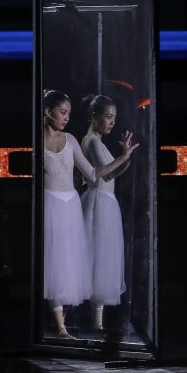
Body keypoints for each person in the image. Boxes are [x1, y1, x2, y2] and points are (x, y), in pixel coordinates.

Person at [42, 90, 137, 339]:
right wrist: (123, 158)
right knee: (55, 263)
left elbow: (94, 173)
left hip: (70, 204)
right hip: (51, 203)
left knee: (69, 264)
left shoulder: (71, 140)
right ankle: (61, 327)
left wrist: (125, 157)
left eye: (68, 113)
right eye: (62, 112)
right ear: (47, 112)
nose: (66, 117)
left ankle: (67, 324)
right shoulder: (40, 141)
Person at [81, 95, 133, 330]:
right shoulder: (91, 141)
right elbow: (102, 172)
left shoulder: (98, 141)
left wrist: (125, 158)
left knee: (103, 259)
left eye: (114, 117)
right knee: (96, 258)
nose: (112, 122)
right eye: (108, 117)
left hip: (107, 201)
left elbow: (111, 175)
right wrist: (123, 157)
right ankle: (91, 322)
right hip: (98, 202)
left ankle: (98, 323)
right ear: (95, 116)